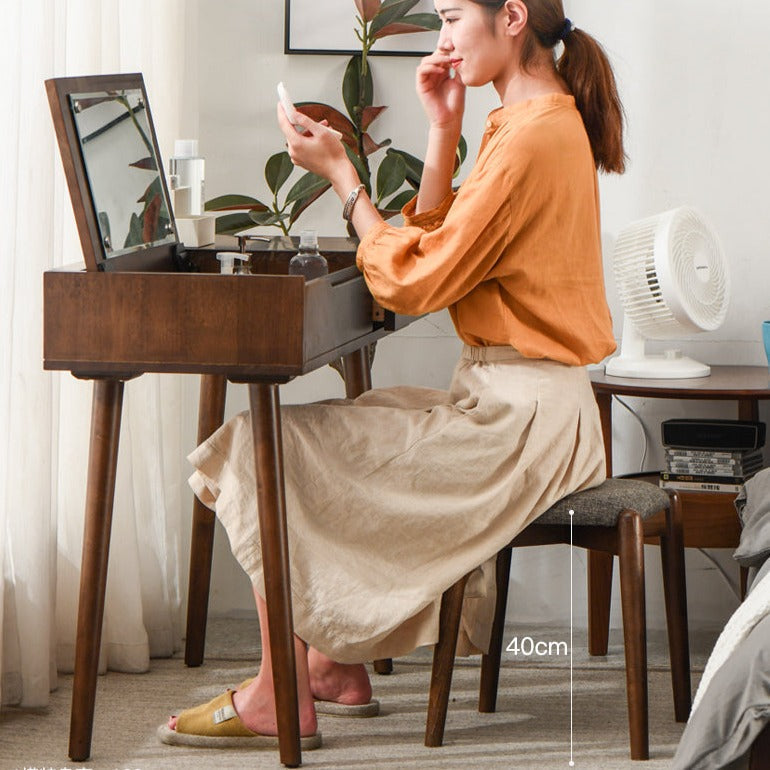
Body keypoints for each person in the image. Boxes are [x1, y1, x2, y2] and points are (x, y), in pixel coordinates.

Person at [159, 0, 625, 750]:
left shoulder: (533, 137)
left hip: (518, 427)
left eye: (448, 18)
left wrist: (345, 178)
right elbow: (435, 241)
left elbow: (412, 281)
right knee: (360, 420)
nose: (440, 41)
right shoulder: (532, 122)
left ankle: (280, 694)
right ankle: (335, 666)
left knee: (260, 447)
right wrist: (444, 128)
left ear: (510, 17)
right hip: (522, 405)